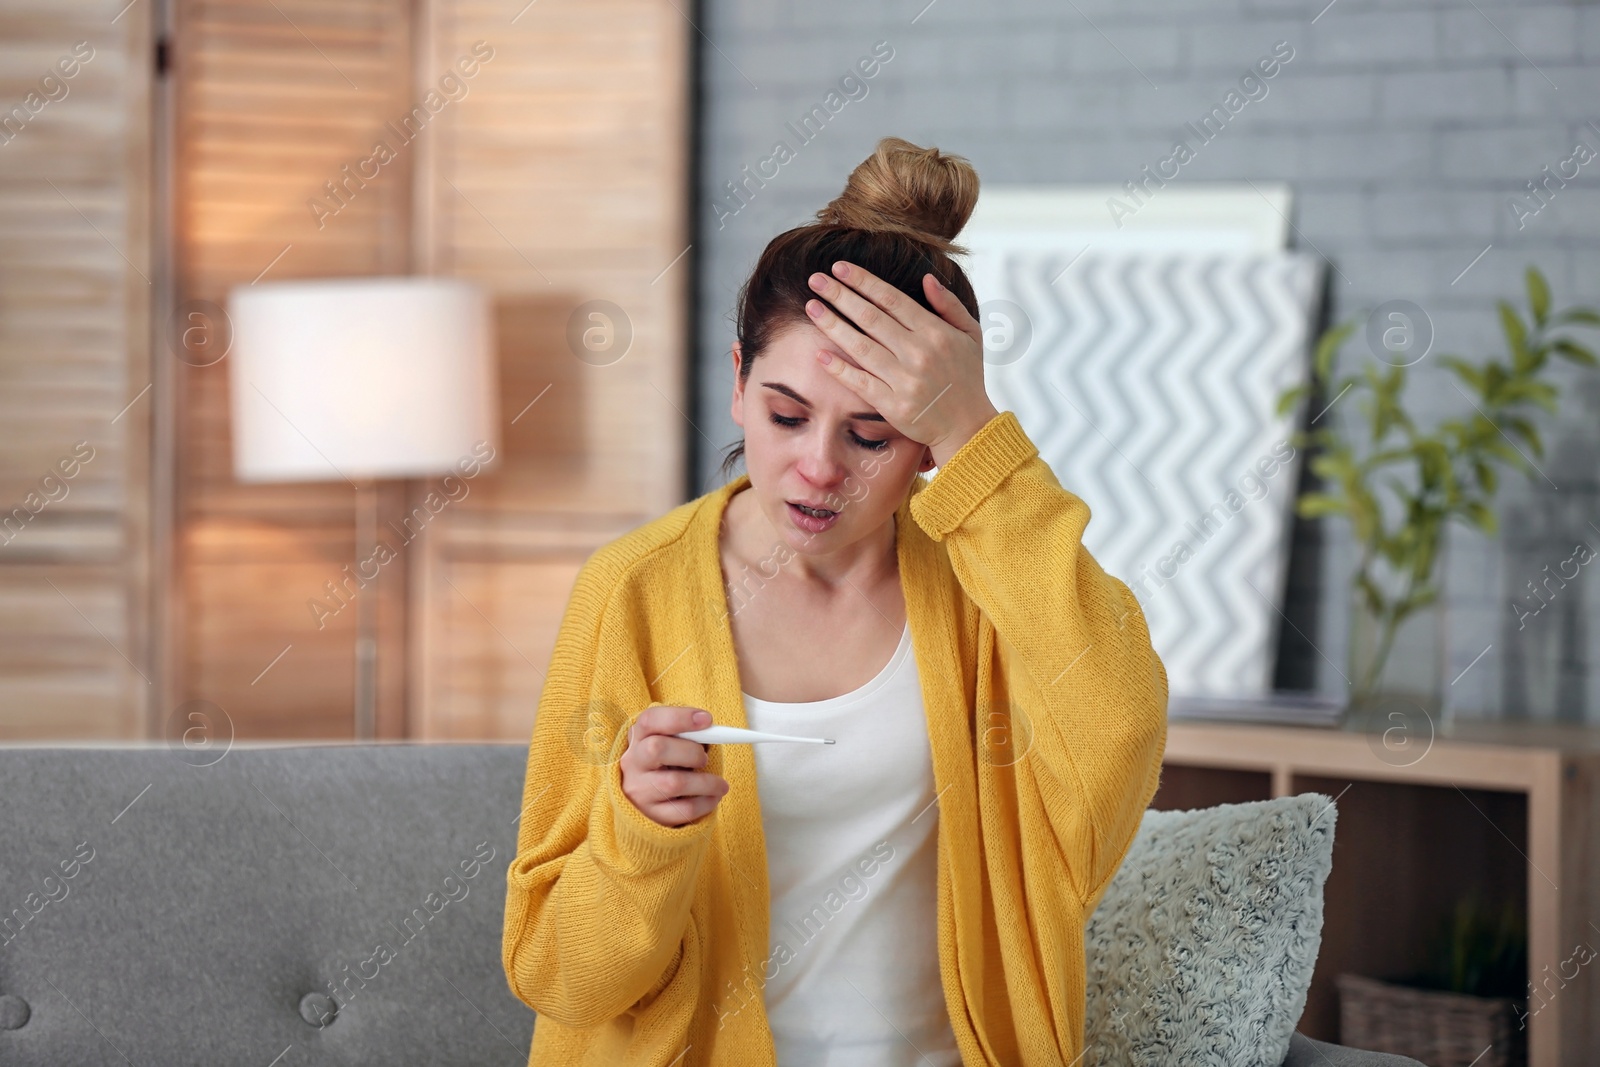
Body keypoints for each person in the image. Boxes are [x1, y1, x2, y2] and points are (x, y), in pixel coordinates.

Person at [502, 136, 1169, 1066]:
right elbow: (556, 974)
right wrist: (638, 835)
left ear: (929, 443)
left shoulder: (980, 589)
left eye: (871, 435)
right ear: (737, 381)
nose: (818, 467)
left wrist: (980, 438)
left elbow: (1122, 725)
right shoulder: (634, 590)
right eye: (784, 414)